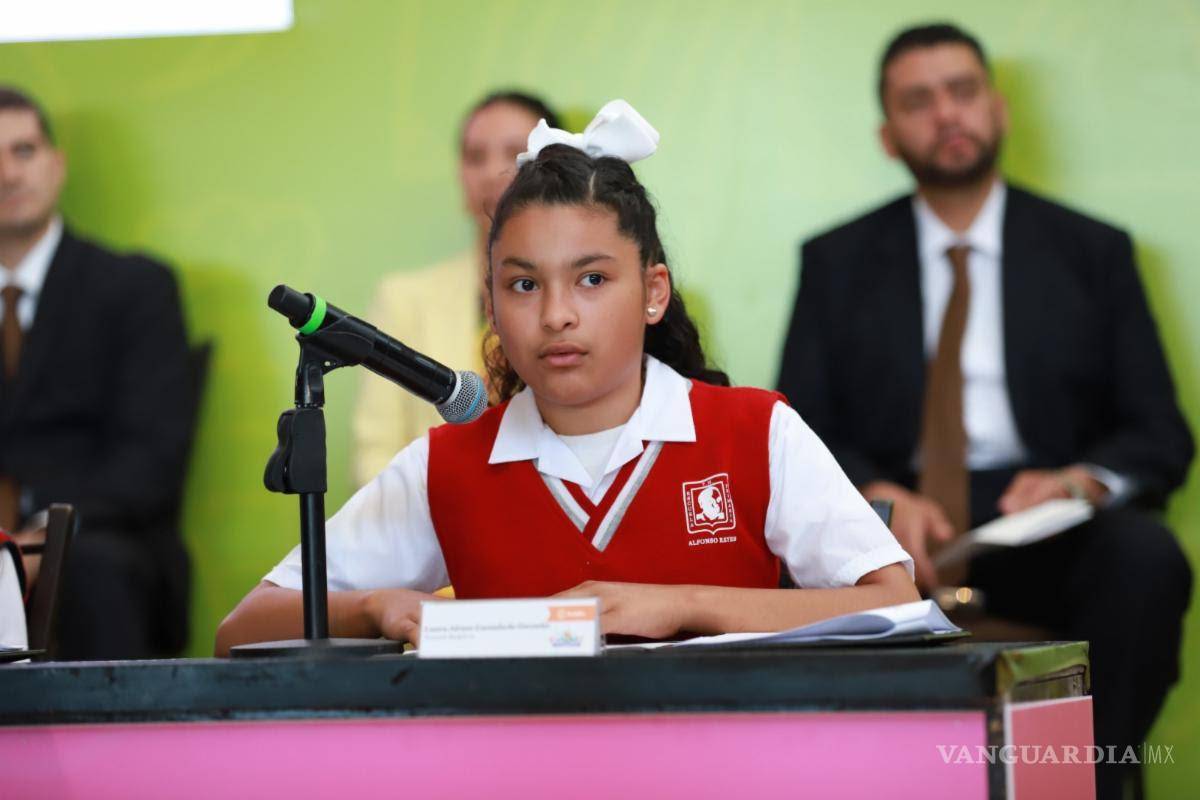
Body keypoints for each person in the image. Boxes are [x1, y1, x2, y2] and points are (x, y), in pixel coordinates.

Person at [216, 100, 917, 655]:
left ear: (654, 292)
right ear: (491, 303)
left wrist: (681, 605)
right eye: (523, 285)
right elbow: (241, 628)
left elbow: (895, 603)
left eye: (591, 279)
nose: (556, 315)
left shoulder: (755, 431)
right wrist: (376, 606)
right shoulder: (447, 465)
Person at [775, 24, 1192, 799]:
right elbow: (797, 426)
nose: (946, 113)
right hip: (894, 531)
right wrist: (872, 498)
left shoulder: (1092, 251)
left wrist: (1077, 484)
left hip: (1040, 524)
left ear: (997, 109)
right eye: (918, 101)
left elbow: (1158, 432)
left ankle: (1088, 786)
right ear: (888, 136)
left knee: (1145, 561)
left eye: (962, 91)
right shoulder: (835, 262)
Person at [0, 86, 194, 659]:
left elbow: (150, 461)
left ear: (57, 165)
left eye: (24, 150)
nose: (7, 174)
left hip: (97, 536)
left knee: (93, 567)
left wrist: (42, 538)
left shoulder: (134, 289)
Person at [352, 91, 560, 486]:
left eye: (514, 153)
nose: (492, 172)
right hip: (432, 517)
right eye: (475, 157)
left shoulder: (589, 297)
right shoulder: (404, 299)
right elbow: (373, 458)